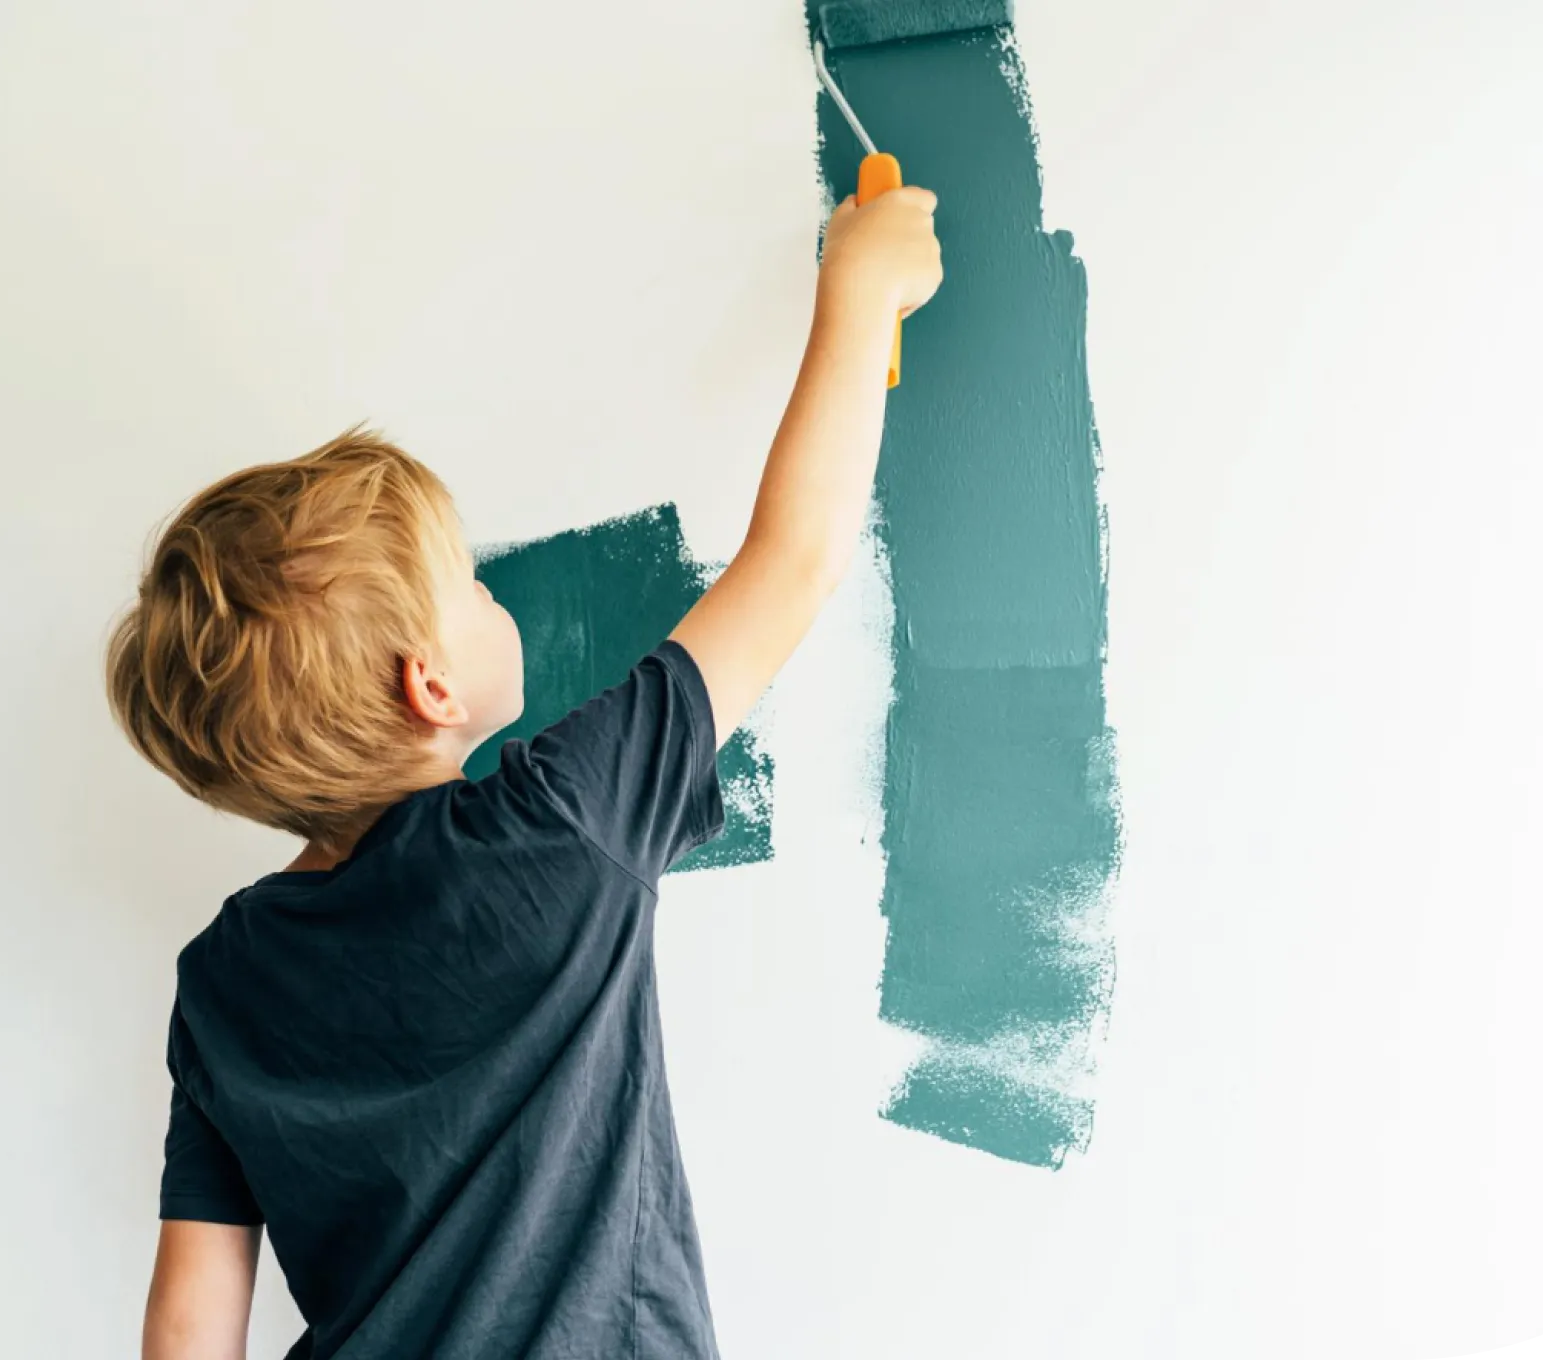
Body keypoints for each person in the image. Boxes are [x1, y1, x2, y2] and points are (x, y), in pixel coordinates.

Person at [107, 182, 942, 1360]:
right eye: (471, 584)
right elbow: (791, 561)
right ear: (428, 688)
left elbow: (192, 1324)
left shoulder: (224, 979)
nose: (495, 590)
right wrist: (861, 291)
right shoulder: (561, 820)